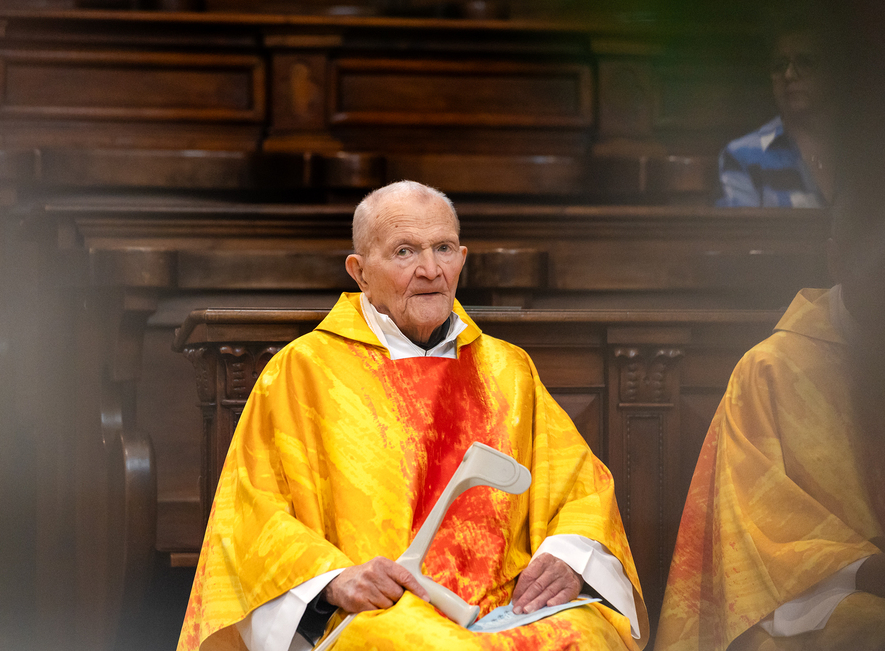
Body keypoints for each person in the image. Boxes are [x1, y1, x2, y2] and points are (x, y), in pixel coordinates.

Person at [176, 180, 648, 651]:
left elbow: (580, 489)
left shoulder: (508, 370)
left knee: (587, 637)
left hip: (508, 604)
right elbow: (253, 514)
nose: (430, 270)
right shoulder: (304, 372)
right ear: (360, 272)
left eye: (443, 248)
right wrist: (335, 580)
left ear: (462, 259)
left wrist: (567, 557)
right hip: (382, 608)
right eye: (405, 252)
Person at [654, 192, 885, 650]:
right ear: (837, 259)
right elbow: (753, 539)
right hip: (811, 601)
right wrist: (867, 569)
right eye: (878, 265)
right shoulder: (770, 370)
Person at [716, 18, 834, 207]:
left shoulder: (868, 149)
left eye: (805, 62)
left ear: (835, 71)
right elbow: (740, 227)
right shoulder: (742, 155)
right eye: (779, 65)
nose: (789, 75)